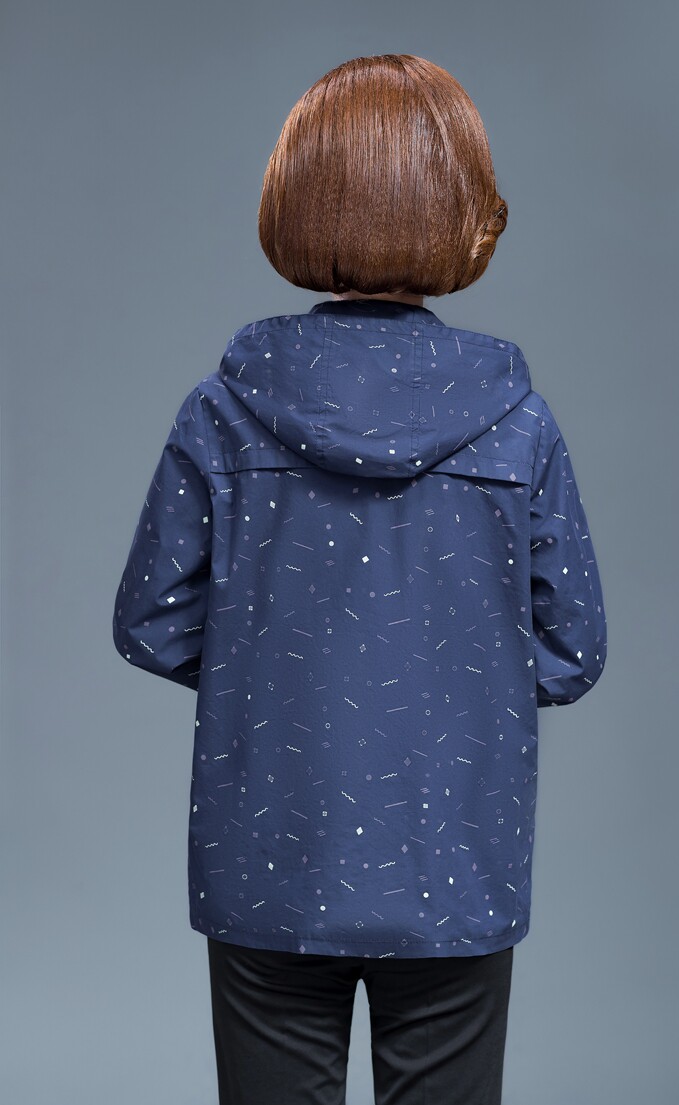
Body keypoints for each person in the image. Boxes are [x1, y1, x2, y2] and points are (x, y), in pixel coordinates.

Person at [112, 52, 607, 1105]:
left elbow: (153, 619)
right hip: (454, 854)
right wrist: (452, 685)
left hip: (268, 852)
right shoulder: (517, 424)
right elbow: (572, 648)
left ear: (294, 202)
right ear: (463, 210)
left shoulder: (222, 412)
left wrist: (272, 672)